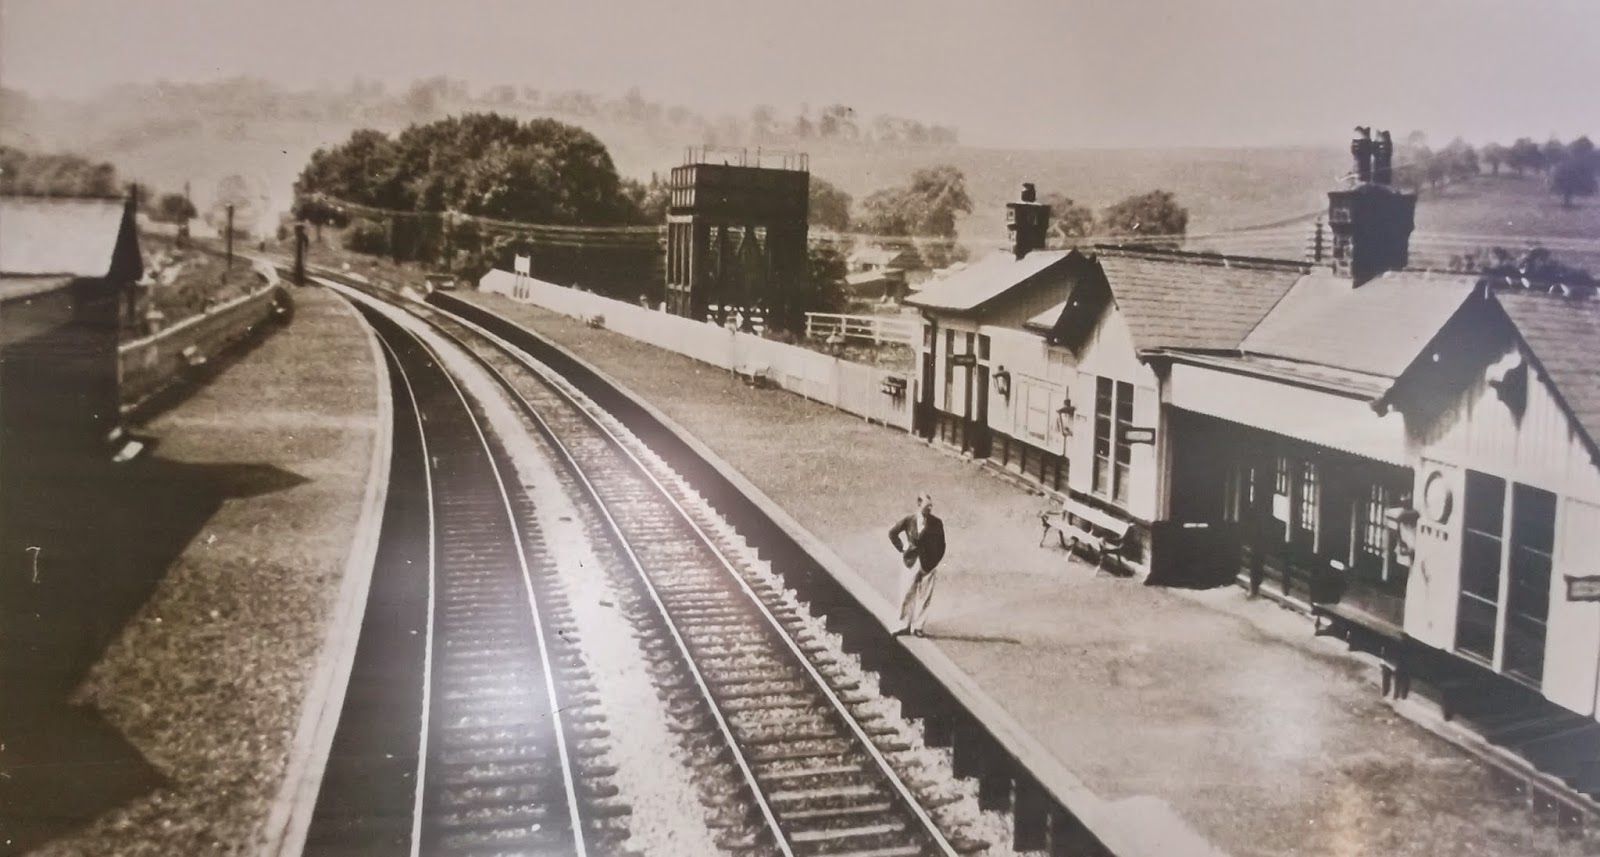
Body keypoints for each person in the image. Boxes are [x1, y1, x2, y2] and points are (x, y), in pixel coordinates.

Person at [888, 493, 946, 637]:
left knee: (925, 596)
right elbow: (892, 533)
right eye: (927, 506)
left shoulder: (936, 523)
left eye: (931, 506)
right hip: (911, 562)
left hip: (928, 564)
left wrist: (934, 561)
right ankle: (903, 625)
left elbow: (942, 545)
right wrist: (902, 548)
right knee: (906, 593)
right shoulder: (909, 520)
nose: (930, 509)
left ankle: (918, 627)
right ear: (919, 505)